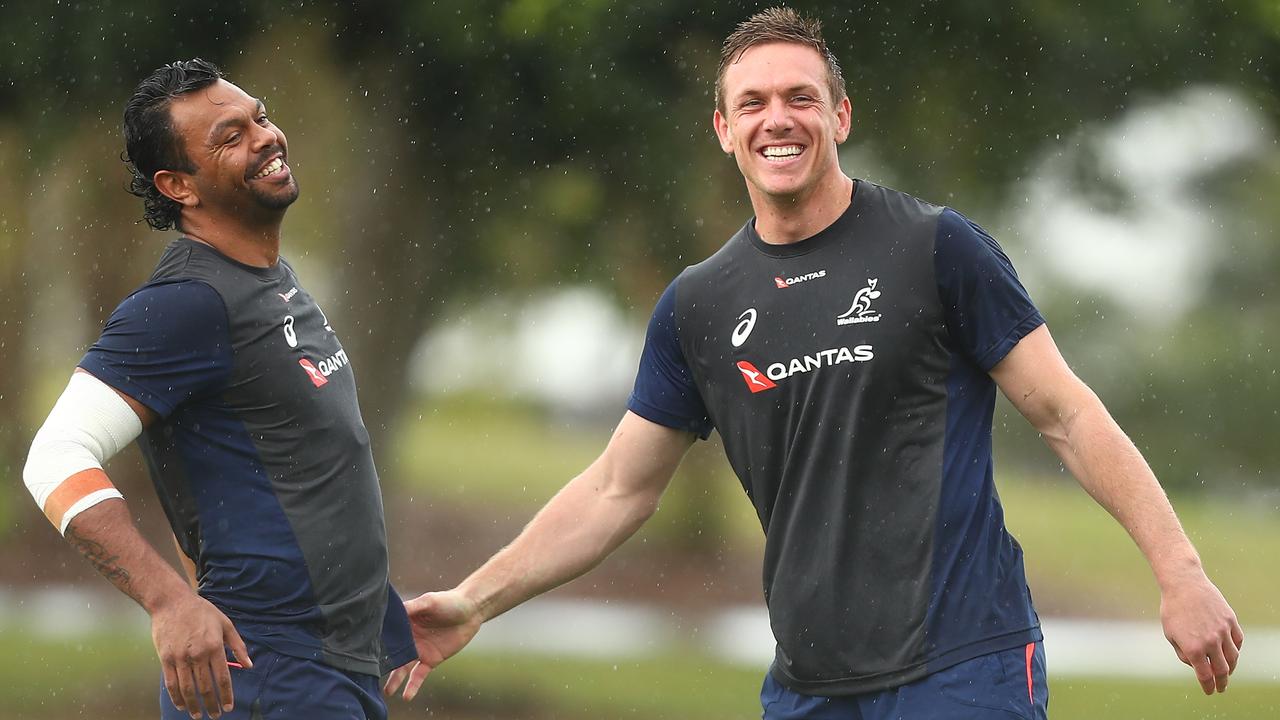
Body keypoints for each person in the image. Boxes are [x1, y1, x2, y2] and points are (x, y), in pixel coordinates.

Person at [384, 7, 1244, 719]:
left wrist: (1181, 572)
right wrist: (474, 600)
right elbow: (617, 489)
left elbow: (1068, 414)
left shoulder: (936, 248)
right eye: (751, 103)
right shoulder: (699, 305)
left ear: (840, 116)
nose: (777, 119)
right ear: (724, 129)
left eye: (800, 97)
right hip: (809, 687)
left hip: (963, 668)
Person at [22, 59, 418, 720]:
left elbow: (244, 481)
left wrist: (377, 611)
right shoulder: (185, 304)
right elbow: (55, 456)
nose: (264, 137)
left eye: (259, 118)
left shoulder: (269, 277)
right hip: (272, 675)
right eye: (228, 137)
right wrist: (170, 602)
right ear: (178, 185)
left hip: (326, 669)